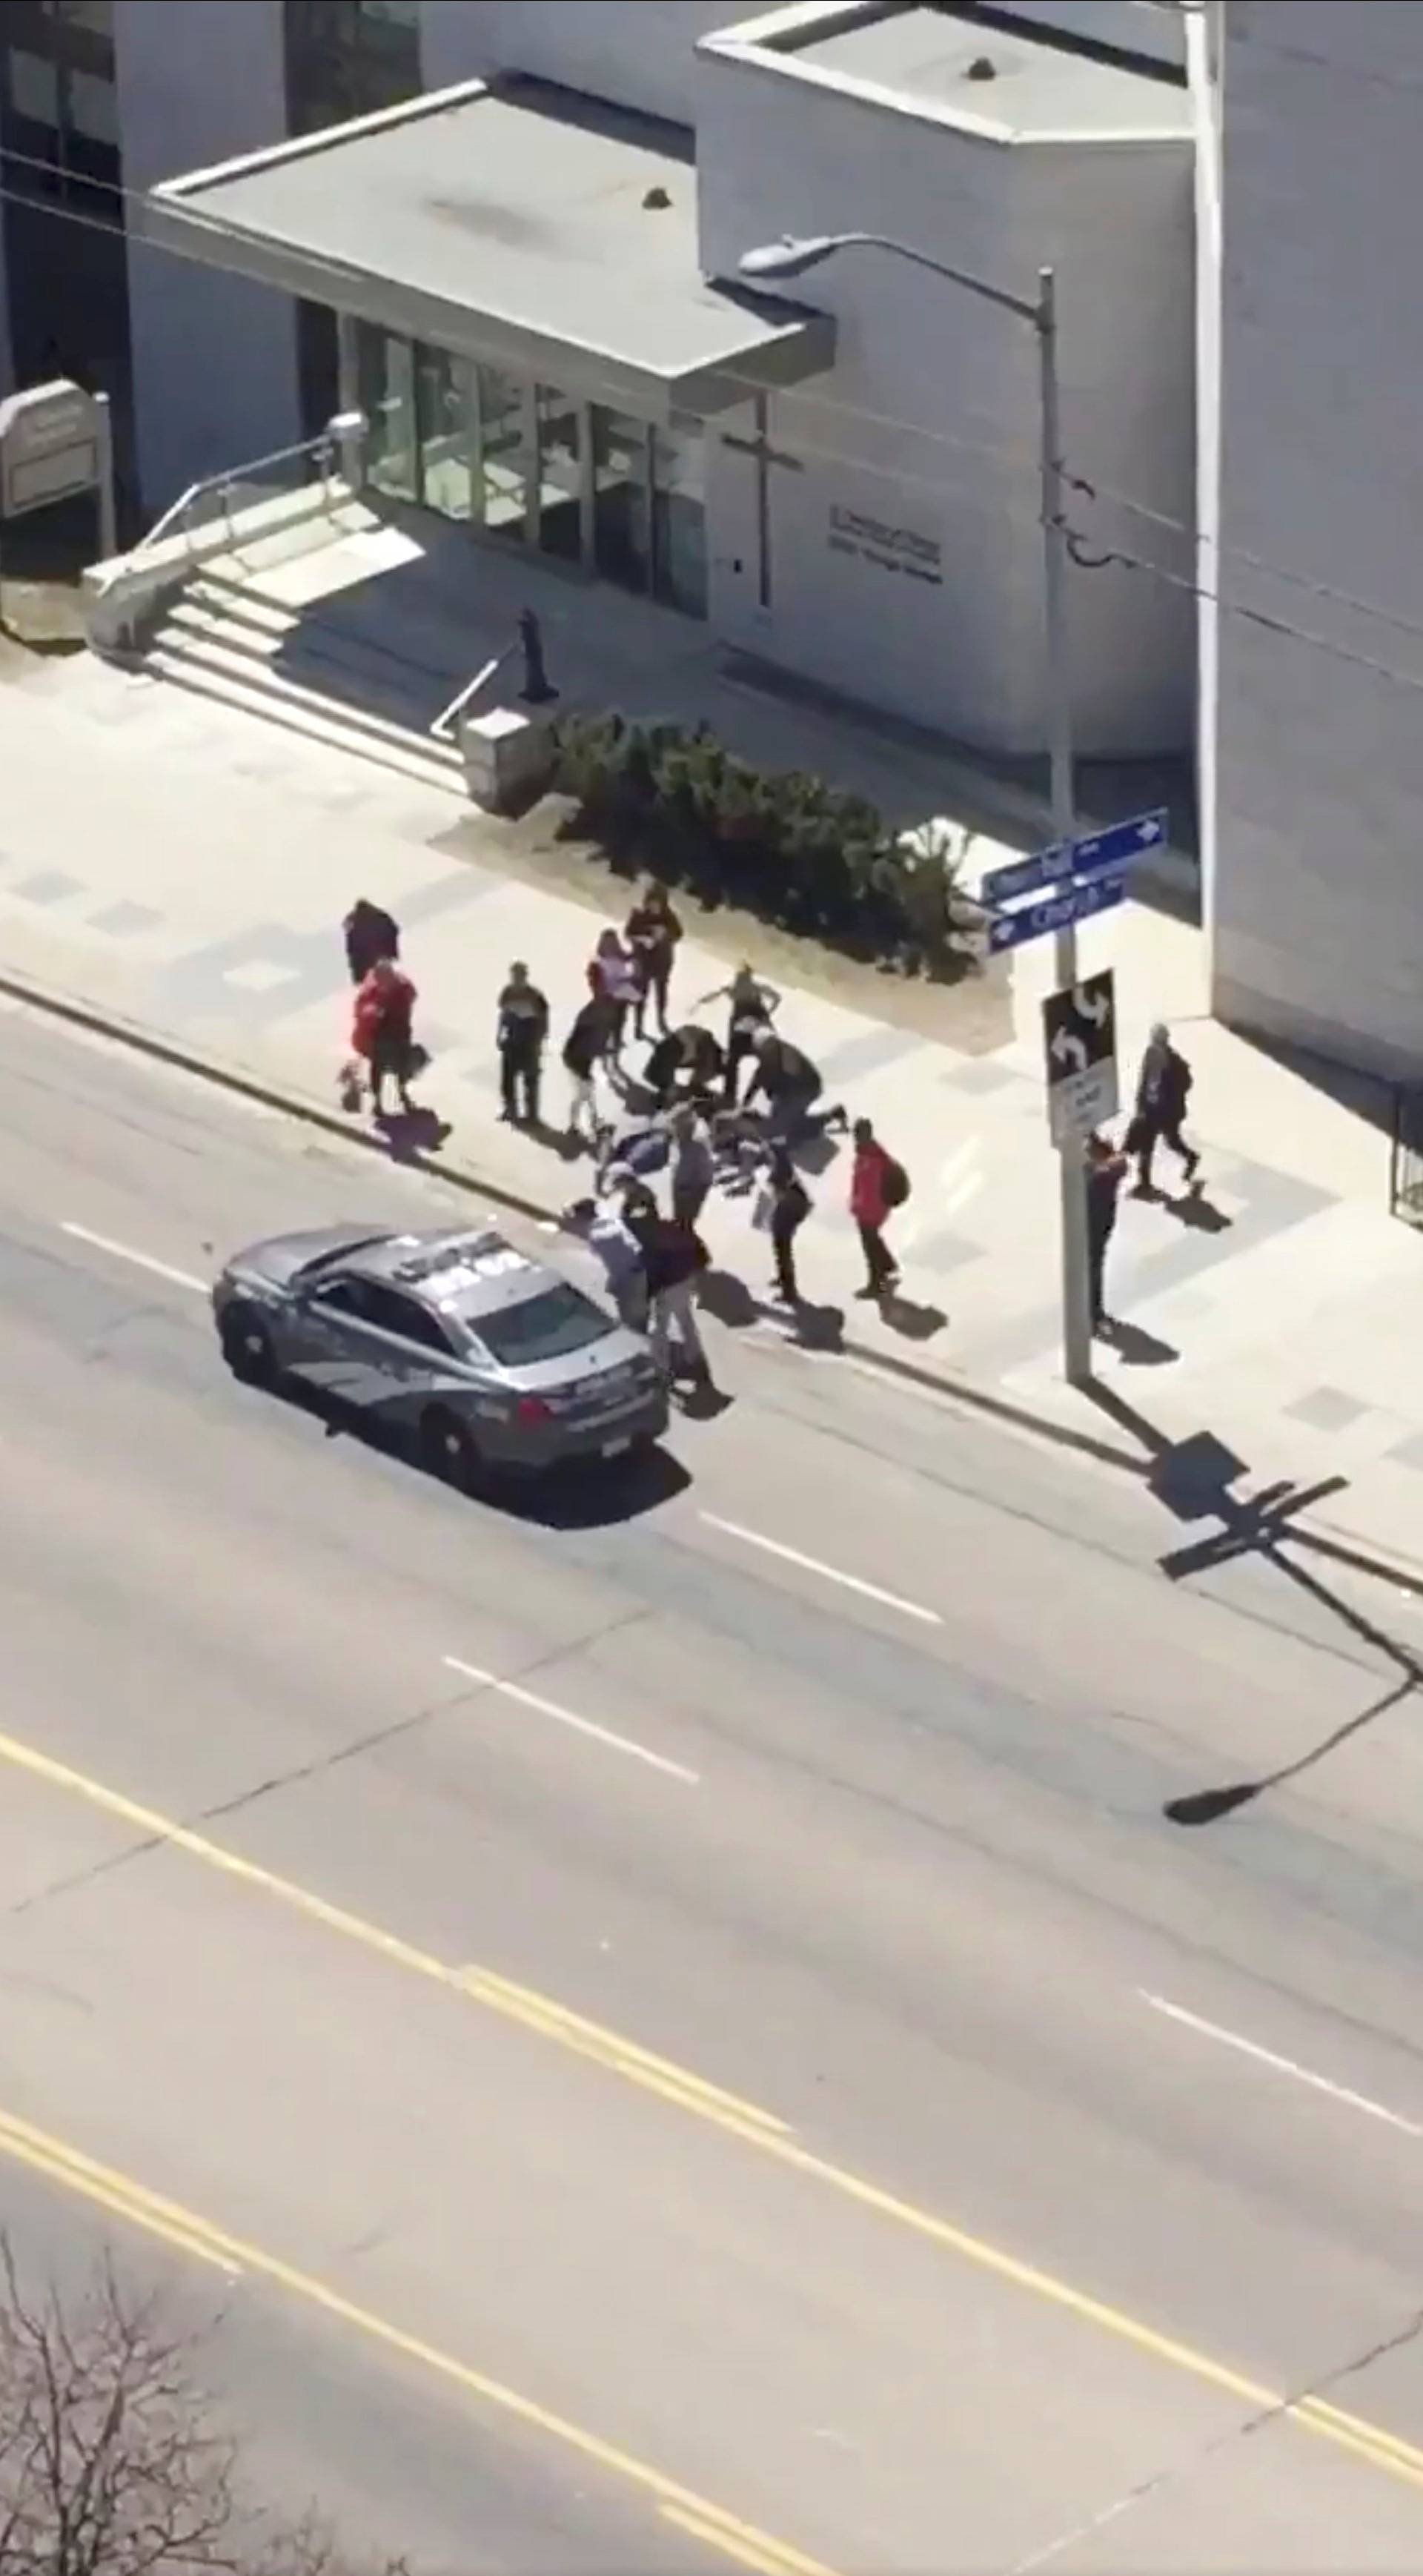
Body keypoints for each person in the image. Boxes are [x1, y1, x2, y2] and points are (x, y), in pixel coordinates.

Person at [626, 1196, 712, 1388]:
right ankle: (696, 1358)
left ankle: (662, 1370)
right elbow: (701, 1252)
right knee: (685, 1320)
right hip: (686, 1280)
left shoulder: (647, 1241)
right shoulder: (674, 1228)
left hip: (669, 1285)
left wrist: (646, 1300)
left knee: (659, 1329)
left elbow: (652, 1272)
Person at [564, 1175, 649, 1332]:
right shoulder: (610, 1223)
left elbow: (616, 1259)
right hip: (638, 1271)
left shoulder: (597, 1235)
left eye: (576, 1218)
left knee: (632, 1317)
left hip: (630, 1276)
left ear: (583, 1217)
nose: (573, 1223)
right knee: (636, 1311)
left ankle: (640, 1342)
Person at [694, 964, 780, 1106]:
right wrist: (769, 1014)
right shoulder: (755, 988)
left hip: (741, 1028)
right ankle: (770, 1091)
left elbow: (715, 995)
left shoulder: (735, 990)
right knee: (766, 1059)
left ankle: (730, 1095)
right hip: (757, 1025)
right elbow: (777, 997)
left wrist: (701, 1001)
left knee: (733, 1061)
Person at [1131, 1022, 1199, 1193]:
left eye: (1159, 1041)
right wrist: (1140, 1102)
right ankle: (1144, 1182)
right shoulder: (1149, 1054)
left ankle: (1191, 1157)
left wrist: (1172, 1095)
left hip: (1167, 1112)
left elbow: (1187, 1082)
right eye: (1154, 1040)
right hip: (1150, 1109)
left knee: (1172, 1142)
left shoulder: (1175, 1062)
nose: (1156, 1044)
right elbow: (1144, 1079)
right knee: (1146, 1144)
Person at [742, 1029, 837, 1144]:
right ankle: (818, 1118)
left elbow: (791, 1085)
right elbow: (759, 1078)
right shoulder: (773, 1055)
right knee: (784, 1121)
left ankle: (821, 1122)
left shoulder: (786, 1056)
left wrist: (780, 1111)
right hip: (797, 1090)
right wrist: (746, 1100)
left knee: (780, 1131)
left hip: (806, 1090)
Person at [355, 955, 419, 1116]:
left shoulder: (401, 986)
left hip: (399, 1034)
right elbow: (362, 1009)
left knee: (401, 1068)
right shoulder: (373, 991)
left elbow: (412, 995)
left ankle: (401, 1095)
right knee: (380, 1069)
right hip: (383, 1036)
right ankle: (379, 1102)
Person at [849, 1117, 903, 1298]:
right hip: (873, 1208)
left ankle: (875, 1284)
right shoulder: (870, 1152)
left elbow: (868, 1190)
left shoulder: (871, 1159)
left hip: (871, 1210)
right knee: (873, 1239)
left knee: (869, 1247)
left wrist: (857, 1207)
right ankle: (888, 1265)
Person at [563, 971, 616, 1148]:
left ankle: (591, 1122)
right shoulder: (592, 1014)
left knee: (588, 1093)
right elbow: (589, 1042)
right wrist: (604, 1051)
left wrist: (604, 1051)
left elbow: (598, 1042)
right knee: (582, 1094)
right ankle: (575, 1125)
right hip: (576, 1059)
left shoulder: (599, 1014)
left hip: (581, 1059)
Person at [625, 881, 683, 1039]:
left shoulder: (670, 917)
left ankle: (661, 1019)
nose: (654, 905)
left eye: (658, 902)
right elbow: (628, 933)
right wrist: (643, 938)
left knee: (661, 992)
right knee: (641, 994)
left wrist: (665, 934)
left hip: (663, 961)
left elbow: (679, 934)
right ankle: (638, 1026)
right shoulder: (638, 915)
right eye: (652, 901)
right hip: (643, 961)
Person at [495, 960, 548, 1126]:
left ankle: (532, 1115)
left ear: (525, 976)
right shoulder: (507, 993)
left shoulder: (535, 995)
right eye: (515, 975)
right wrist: (498, 1034)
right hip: (511, 1040)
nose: (517, 978)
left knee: (531, 1079)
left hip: (529, 1040)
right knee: (507, 1079)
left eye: (520, 975)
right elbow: (503, 1014)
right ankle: (510, 1110)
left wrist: (541, 1040)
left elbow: (544, 1019)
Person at [1086, 1130, 1130, 1333]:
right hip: (1096, 1224)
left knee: (1092, 1267)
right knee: (1092, 1267)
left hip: (1095, 1226)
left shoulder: (1103, 1175)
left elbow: (1114, 1165)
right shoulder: (1106, 1171)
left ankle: (1093, 1312)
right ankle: (1093, 1311)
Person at [763, 1148, 812, 1307]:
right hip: (789, 1211)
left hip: (788, 1213)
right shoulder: (782, 1163)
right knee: (781, 1247)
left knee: (783, 1248)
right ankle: (782, 1278)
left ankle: (789, 1290)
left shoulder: (781, 1167)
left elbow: (780, 1191)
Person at [645, 1022, 724, 1112]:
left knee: (708, 1068)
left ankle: (695, 1086)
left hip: (694, 1043)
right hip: (689, 1043)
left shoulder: (659, 1070)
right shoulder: (658, 1071)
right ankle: (695, 1086)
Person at [591, 927, 639, 1070]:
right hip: (606, 999)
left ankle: (615, 1057)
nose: (610, 945)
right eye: (607, 942)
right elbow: (594, 981)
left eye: (612, 942)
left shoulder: (622, 957)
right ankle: (606, 1055)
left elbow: (633, 969)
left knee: (618, 1026)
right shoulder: (597, 962)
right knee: (607, 1027)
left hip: (621, 997)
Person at [669, 1104, 714, 1229]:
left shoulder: (698, 1146)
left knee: (686, 1223)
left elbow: (706, 1176)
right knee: (678, 1221)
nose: (675, 1131)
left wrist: (696, 1194)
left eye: (677, 1127)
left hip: (691, 1191)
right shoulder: (679, 1142)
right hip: (680, 1187)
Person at [343, 897, 399, 986]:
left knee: (375, 985)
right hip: (382, 955)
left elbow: (353, 951)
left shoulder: (354, 925)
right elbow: (394, 930)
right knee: (387, 982)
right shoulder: (380, 915)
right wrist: (391, 953)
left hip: (367, 963)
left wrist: (357, 976)